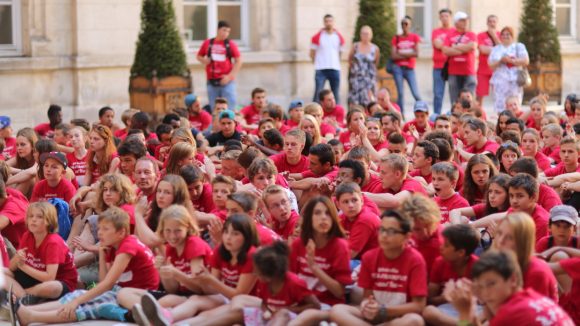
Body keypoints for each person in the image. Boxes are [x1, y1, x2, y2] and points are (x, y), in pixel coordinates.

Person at [13, 207, 159, 325]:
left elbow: (107, 285)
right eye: (99, 228)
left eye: (105, 229)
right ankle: (25, 310)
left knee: (93, 306)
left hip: (140, 296)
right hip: (121, 290)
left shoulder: (127, 246)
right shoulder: (111, 246)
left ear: (121, 232)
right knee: (78, 295)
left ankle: (32, 316)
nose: (100, 233)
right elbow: (104, 280)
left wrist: (76, 302)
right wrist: (102, 255)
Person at [112, 205, 212, 323]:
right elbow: (172, 289)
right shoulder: (170, 248)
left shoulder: (195, 245)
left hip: (199, 298)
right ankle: (152, 314)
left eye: (178, 231)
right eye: (168, 231)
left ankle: (151, 315)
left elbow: (200, 289)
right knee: (123, 293)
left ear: (188, 228)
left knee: (168, 300)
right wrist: (164, 271)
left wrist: (176, 274)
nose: (172, 236)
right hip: (179, 296)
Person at [329, 209, 427, 326]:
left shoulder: (415, 260)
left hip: (400, 317)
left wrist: (384, 310)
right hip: (376, 315)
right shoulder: (369, 257)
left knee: (415, 321)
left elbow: (418, 306)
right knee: (337, 311)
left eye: (391, 231)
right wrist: (367, 306)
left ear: (406, 237)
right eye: (382, 230)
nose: (384, 235)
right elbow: (367, 297)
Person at [446, 250, 573, 326]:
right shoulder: (529, 296)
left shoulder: (512, 313)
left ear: (512, 279)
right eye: (480, 286)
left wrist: (464, 313)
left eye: (491, 284)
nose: (485, 293)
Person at [3, 202, 77, 303]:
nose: (33, 219)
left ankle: (21, 297)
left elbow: (49, 278)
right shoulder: (27, 235)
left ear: (49, 221)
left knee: (52, 287)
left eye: (39, 217)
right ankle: (24, 299)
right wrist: (16, 259)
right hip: (34, 276)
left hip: (59, 281)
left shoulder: (53, 242)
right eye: (31, 216)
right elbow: (11, 268)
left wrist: (23, 266)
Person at [422, 224, 479, 326]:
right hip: (446, 310)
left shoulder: (477, 266)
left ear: (461, 252)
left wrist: (467, 297)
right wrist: (447, 297)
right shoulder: (439, 263)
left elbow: (483, 300)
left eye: (446, 245)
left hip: (471, 309)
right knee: (428, 311)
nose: (441, 247)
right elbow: (429, 299)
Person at [196, 20, 242, 109]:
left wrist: (229, 77)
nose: (226, 33)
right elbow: (199, 56)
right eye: (224, 30)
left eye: (228, 31)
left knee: (230, 108)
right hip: (212, 81)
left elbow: (239, 61)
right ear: (218, 29)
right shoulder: (208, 43)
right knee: (214, 109)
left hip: (227, 82)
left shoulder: (230, 44)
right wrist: (204, 60)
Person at [488, 27, 530, 112]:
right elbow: (490, 65)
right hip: (500, 82)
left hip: (515, 82)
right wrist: (500, 61)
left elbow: (526, 61)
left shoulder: (519, 46)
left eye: (508, 34)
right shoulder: (496, 49)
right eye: (503, 34)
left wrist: (511, 61)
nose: (505, 36)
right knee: (500, 105)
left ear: (512, 35)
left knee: (515, 104)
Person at [336, 182, 380, 259]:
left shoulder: (365, 219)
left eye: (354, 200)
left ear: (362, 201)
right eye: (345, 202)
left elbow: (350, 254)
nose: (350, 205)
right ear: (338, 205)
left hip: (374, 262)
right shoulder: (343, 217)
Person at [442, 12, 477, 104]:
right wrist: (464, 49)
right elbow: (445, 50)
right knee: (454, 99)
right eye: (462, 20)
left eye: (466, 20)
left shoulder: (471, 34)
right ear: (456, 22)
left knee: (469, 99)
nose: (465, 22)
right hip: (453, 71)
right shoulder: (450, 34)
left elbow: (472, 46)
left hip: (469, 71)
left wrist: (454, 46)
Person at [391, 16, 422, 115]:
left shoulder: (414, 37)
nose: (404, 26)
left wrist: (401, 52)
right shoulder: (396, 38)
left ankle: (421, 112)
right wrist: (409, 53)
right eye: (402, 24)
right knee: (400, 93)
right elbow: (393, 55)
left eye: (406, 23)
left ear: (410, 25)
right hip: (398, 68)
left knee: (415, 93)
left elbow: (416, 53)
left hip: (409, 69)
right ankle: (401, 115)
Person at [311, 14, 344, 104]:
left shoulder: (338, 37)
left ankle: (338, 113)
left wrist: (337, 62)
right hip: (321, 69)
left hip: (334, 68)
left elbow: (340, 52)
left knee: (335, 93)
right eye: (326, 21)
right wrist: (316, 62)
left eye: (330, 21)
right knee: (318, 92)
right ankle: (313, 111)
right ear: (324, 23)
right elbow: (312, 52)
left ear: (333, 22)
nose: (328, 23)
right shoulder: (318, 36)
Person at [348, 25, 379, 107]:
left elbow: (376, 62)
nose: (365, 36)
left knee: (369, 99)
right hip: (356, 78)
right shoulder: (355, 46)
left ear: (371, 35)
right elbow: (350, 59)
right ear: (360, 34)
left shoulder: (375, 48)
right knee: (355, 99)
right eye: (363, 33)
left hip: (369, 78)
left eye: (367, 34)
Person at [432, 9, 453, 115]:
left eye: (447, 16)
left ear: (450, 17)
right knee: (438, 93)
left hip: (452, 66)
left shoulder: (454, 31)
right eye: (442, 16)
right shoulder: (436, 32)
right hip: (438, 66)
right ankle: (436, 115)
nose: (445, 18)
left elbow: (441, 45)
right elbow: (437, 45)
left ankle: (454, 116)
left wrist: (445, 45)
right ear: (440, 18)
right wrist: (451, 46)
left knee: (453, 93)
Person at [476, 15, 500, 105]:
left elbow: (502, 50)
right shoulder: (480, 35)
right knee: (480, 94)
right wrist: (496, 49)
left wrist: (494, 36)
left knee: (499, 94)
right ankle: (479, 114)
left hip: (497, 70)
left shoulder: (501, 35)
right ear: (487, 23)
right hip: (483, 69)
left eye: (494, 21)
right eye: (490, 21)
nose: (492, 23)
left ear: (497, 23)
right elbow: (482, 49)